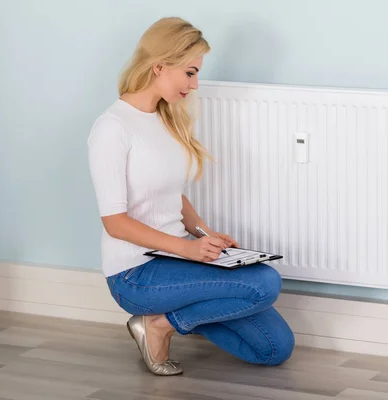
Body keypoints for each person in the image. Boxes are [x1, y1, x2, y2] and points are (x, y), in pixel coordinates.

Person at [87, 17, 294, 376]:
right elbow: (115, 223)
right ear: (159, 67)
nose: (195, 84)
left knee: (274, 348)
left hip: (177, 256)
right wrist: (186, 250)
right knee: (265, 282)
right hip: (135, 273)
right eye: (190, 73)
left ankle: (171, 318)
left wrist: (204, 235)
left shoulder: (165, 119)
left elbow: (174, 195)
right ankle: (158, 325)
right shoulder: (112, 128)